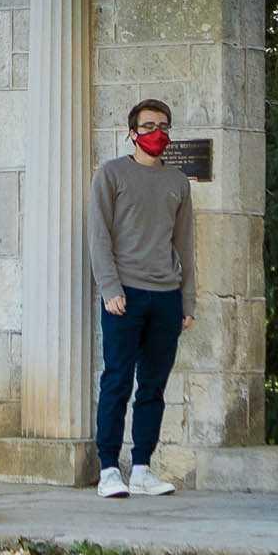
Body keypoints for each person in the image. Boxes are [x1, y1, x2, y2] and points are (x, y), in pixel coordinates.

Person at [88, 95, 195, 498]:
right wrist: (109, 287)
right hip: (125, 295)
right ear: (132, 133)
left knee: (153, 386)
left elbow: (185, 244)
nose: (156, 133)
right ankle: (109, 469)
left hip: (166, 296)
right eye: (149, 126)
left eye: (163, 126)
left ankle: (142, 469)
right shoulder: (111, 174)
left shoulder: (178, 182)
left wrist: (187, 301)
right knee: (117, 380)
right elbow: (98, 235)